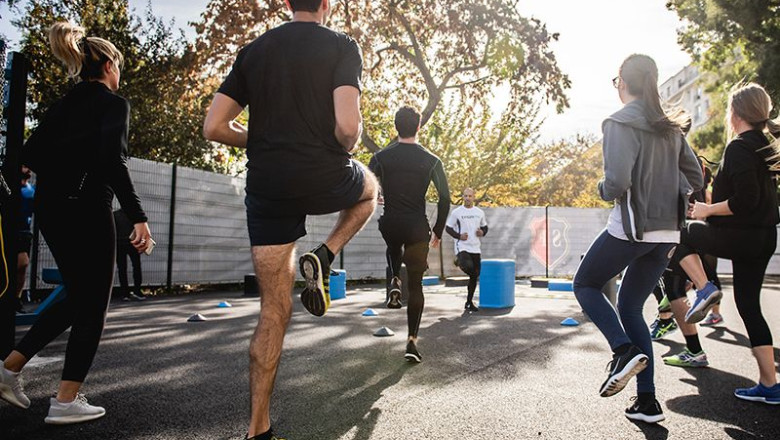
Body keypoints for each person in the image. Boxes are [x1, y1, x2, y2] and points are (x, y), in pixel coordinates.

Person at [202, 0, 377, 437]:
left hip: (267, 185)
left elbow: (214, 127)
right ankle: (325, 253)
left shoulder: (255, 50)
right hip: (324, 173)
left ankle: (257, 428)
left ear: (286, 3)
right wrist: (340, 147)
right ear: (326, 4)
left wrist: (260, 143)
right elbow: (349, 127)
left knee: (272, 312)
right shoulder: (342, 45)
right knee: (369, 190)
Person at [0, 22, 153, 424]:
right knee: (93, 306)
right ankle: (66, 400)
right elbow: (113, 162)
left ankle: (8, 368)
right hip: (87, 210)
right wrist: (138, 216)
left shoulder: (65, 104)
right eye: (118, 67)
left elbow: (30, 151)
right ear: (107, 66)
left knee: (76, 298)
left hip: (52, 211)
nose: (119, 75)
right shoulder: (112, 104)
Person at [572, 54, 702, 423]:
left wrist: (600, 187)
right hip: (666, 234)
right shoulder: (671, 128)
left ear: (623, 83)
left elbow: (616, 183)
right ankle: (648, 401)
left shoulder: (617, 122)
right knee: (630, 307)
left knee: (585, 283)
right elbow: (695, 177)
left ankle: (622, 349)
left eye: (616, 82)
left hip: (632, 228)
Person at [675, 82, 780, 404]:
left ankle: (704, 288)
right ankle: (769, 384)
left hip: (741, 236)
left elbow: (745, 200)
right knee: (749, 306)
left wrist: (707, 210)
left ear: (736, 113)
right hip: (763, 237)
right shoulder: (767, 146)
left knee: (678, 234)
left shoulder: (739, 147)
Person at [369, 106, 450, 363]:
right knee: (416, 285)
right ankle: (412, 342)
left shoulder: (381, 157)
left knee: (393, 244)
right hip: (417, 227)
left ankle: (394, 278)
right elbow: (445, 198)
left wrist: (377, 196)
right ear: (418, 127)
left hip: (391, 222)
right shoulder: (432, 160)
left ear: (396, 126)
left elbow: (366, 186)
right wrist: (438, 230)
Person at [445, 187, 487, 312]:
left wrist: (482, 232)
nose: (467, 198)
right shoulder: (457, 212)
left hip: (475, 248)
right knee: (470, 269)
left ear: (474, 197)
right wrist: (459, 236)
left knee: (475, 275)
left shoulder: (479, 212)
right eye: (465, 196)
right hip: (462, 247)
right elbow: (448, 228)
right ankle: (459, 260)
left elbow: (485, 227)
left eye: (470, 196)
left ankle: (469, 302)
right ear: (463, 197)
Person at [114, 208, 145, 301]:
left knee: (122, 269)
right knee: (137, 267)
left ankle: (125, 294)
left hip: (120, 244)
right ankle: (137, 291)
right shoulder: (134, 214)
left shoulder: (115, 215)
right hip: (133, 244)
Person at [15, 166, 35, 312]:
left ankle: (16, 299)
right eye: (24, 166)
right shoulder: (9, 187)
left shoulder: (31, 190)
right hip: (10, 232)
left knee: (22, 267)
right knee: (20, 264)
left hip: (25, 233)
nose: (28, 169)